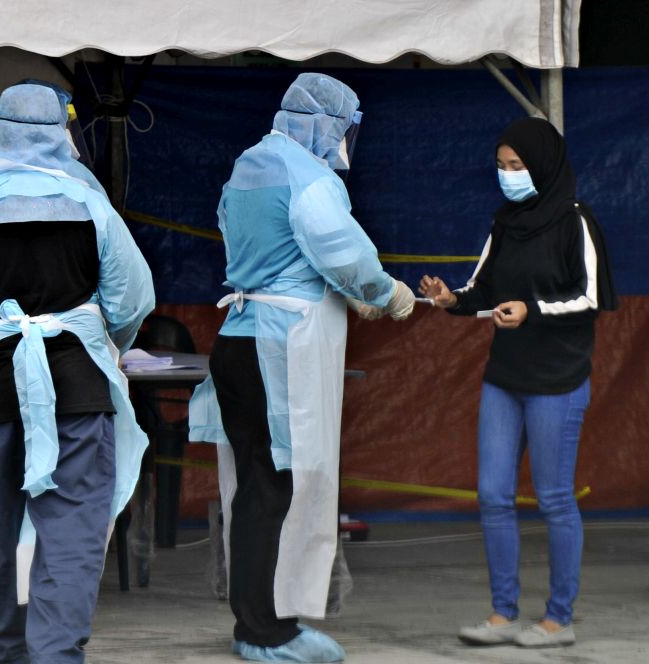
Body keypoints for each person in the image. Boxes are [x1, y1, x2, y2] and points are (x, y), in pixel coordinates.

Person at [0, 82, 154, 664]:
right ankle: (56, 654)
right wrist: (104, 336)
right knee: (72, 535)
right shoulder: (91, 203)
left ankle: (2, 650)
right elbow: (133, 298)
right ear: (63, 135)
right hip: (79, 385)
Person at [188, 73, 415, 663]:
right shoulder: (309, 178)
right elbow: (340, 248)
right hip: (278, 345)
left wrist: (341, 287)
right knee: (274, 487)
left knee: (253, 485)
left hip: (238, 338)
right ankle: (263, 630)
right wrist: (385, 292)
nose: (344, 143)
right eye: (343, 129)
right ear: (324, 125)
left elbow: (252, 244)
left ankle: (261, 617)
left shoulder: (247, 166)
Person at [419, 116, 617, 648]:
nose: (508, 175)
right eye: (502, 166)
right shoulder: (504, 223)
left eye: (518, 166)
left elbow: (590, 297)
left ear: (544, 165)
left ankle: (558, 618)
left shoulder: (576, 221)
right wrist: (451, 300)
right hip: (505, 377)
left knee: (554, 498)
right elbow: (481, 288)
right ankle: (502, 613)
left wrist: (533, 310)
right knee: (492, 495)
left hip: (558, 378)